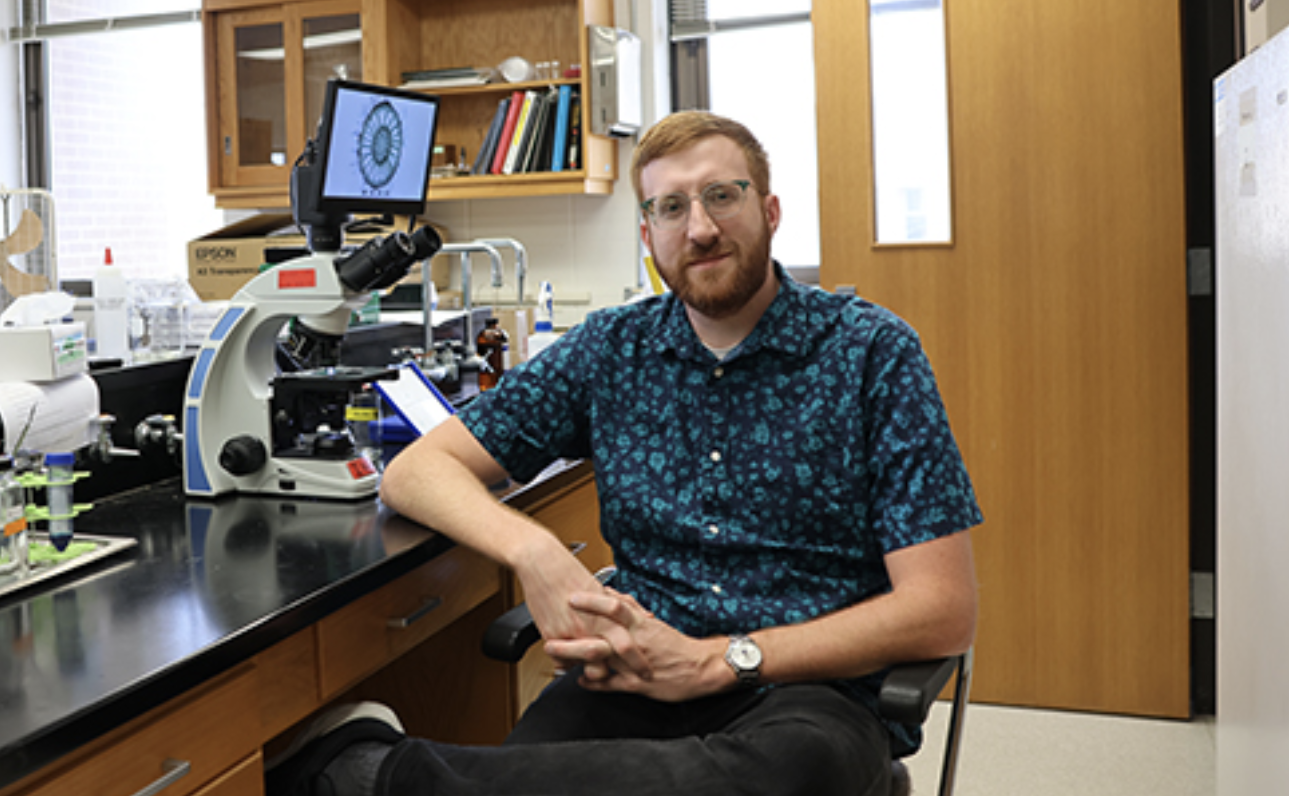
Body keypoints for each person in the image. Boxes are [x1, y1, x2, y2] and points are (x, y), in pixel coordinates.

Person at [267, 110, 983, 796]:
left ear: (769, 211)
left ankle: (368, 778)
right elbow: (415, 470)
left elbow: (941, 609)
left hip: (805, 690)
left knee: (792, 776)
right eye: (670, 208)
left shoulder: (870, 352)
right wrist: (534, 551)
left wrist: (715, 661)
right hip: (631, 674)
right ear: (648, 234)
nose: (699, 228)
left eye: (720, 197)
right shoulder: (612, 350)